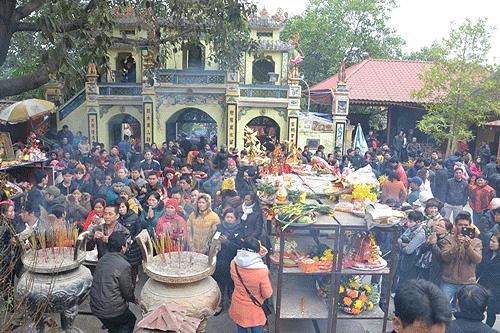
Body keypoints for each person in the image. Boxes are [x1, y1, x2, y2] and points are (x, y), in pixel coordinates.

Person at [90, 231, 137, 333]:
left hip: (95, 307)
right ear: (123, 247)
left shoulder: (102, 259)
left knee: (114, 327)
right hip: (112, 310)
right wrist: (133, 299)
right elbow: (127, 292)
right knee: (130, 321)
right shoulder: (124, 265)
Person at [229, 238, 272, 333]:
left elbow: (233, 279)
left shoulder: (234, 263)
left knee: (241, 329)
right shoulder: (261, 271)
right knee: (257, 330)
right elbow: (267, 294)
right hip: (255, 309)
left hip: (238, 305)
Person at [440, 212, 482, 309]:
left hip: (467, 283)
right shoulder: (448, 239)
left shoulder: (476, 241)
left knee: (464, 310)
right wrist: (456, 246)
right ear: (455, 225)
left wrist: (468, 247)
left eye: (466, 225)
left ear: (470, 226)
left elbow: (478, 259)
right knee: (442, 308)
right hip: (449, 281)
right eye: (460, 225)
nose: (463, 227)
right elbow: (445, 257)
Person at [214, 209, 245, 314]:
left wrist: (227, 242)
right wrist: (215, 243)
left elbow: (240, 248)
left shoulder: (240, 230)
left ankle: (234, 306)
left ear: (236, 219)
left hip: (233, 261)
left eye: (231, 217)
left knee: (232, 286)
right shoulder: (219, 227)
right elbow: (214, 239)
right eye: (227, 217)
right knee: (220, 285)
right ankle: (219, 304)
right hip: (221, 261)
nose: (229, 219)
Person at [117, 198, 142, 287]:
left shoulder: (134, 217)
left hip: (133, 246)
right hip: (120, 246)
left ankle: (133, 284)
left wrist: (132, 240)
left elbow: (139, 231)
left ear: (127, 207)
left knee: (133, 267)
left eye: (123, 207)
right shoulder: (117, 218)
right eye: (119, 208)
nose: (121, 209)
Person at [477, 232, 500, 328]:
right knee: (478, 307)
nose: (491, 243)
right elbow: (480, 268)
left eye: (494, 241)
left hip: (496, 288)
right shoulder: (487, 252)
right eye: (490, 240)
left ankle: (488, 328)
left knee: (491, 311)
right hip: (483, 284)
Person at [397, 211, 426, 284]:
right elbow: (399, 239)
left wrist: (401, 244)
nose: (408, 223)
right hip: (404, 261)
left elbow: (408, 250)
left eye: (410, 221)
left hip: (412, 263)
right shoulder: (410, 228)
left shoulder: (420, 234)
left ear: (418, 222)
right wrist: (403, 244)